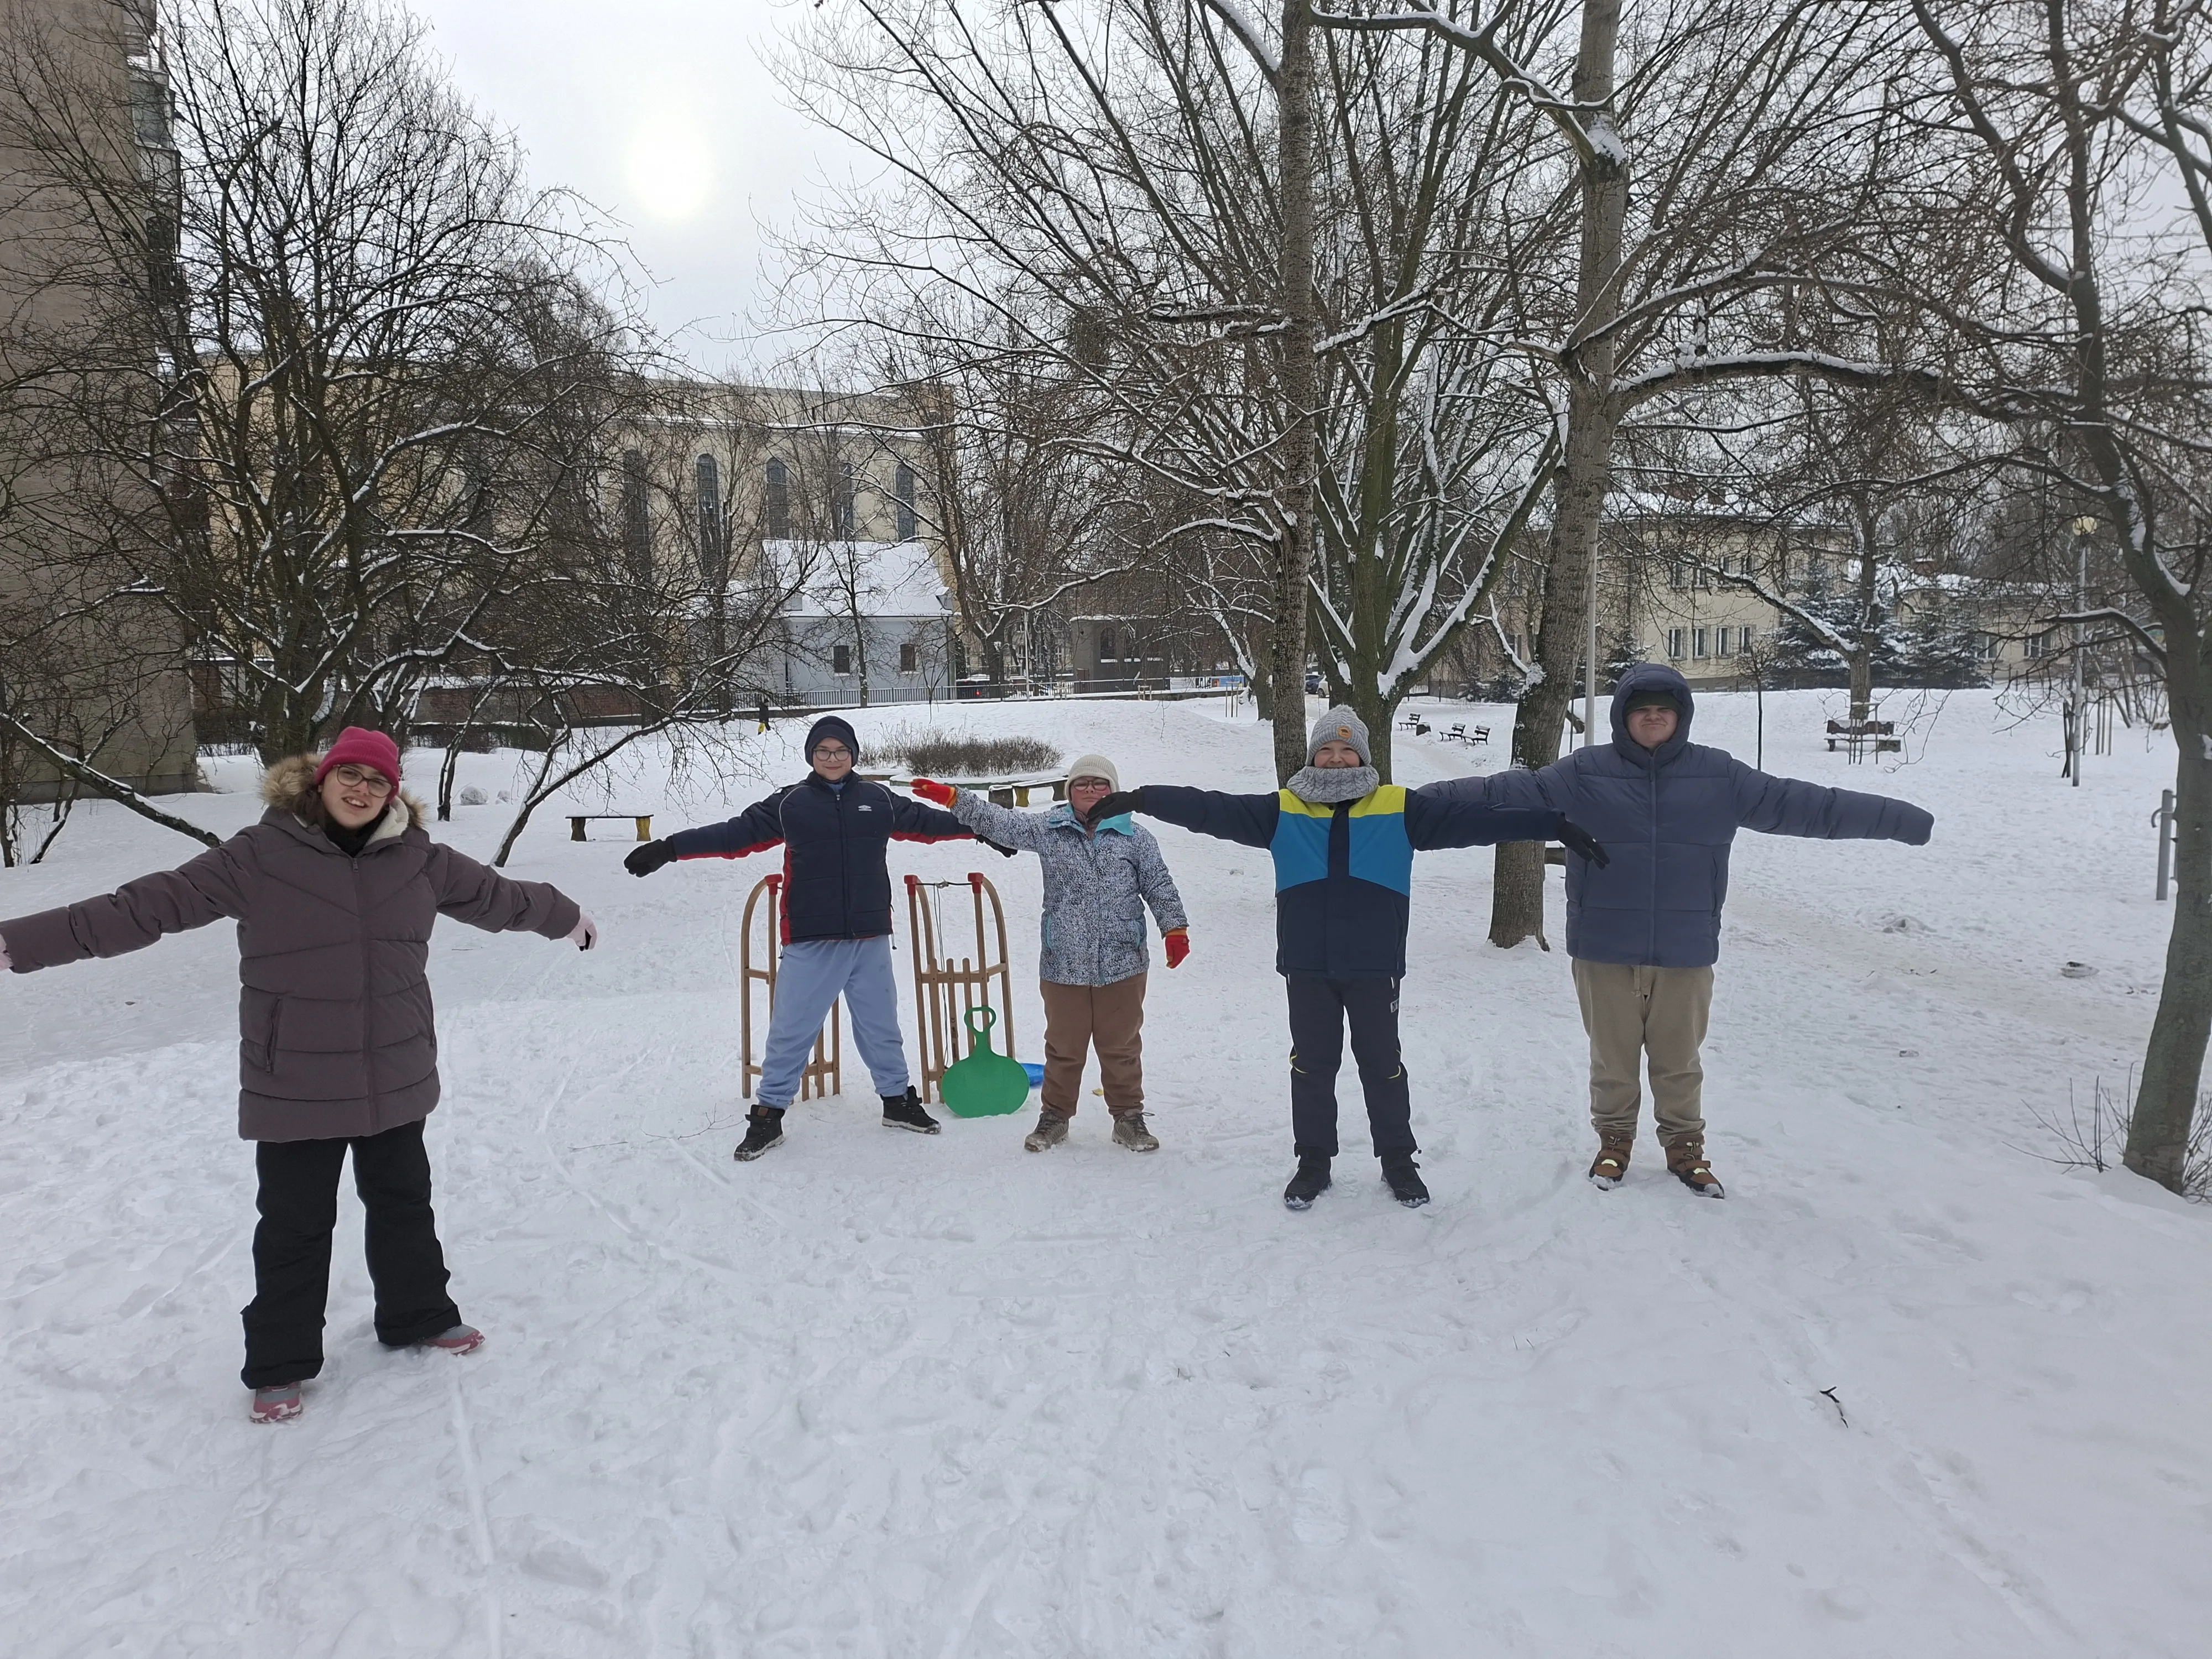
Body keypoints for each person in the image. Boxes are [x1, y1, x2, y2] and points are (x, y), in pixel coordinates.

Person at [0, 728, 596, 1424]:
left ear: (392, 792)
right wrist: (19, 942)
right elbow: (147, 905)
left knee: (405, 1206)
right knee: (295, 1226)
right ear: (321, 780)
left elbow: (499, 898)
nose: (361, 790)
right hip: (297, 1082)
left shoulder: (419, 859)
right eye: (349, 776)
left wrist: (565, 916)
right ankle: (281, 1363)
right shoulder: (260, 855)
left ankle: (419, 1314)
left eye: (377, 782)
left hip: (395, 1072)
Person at [1421, 663, 1934, 1198]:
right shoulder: (1582, 773)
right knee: (1611, 1057)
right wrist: (1413, 807)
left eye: (1664, 708)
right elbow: (1501, 791)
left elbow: (1808, 806)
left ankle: (1685, 1148)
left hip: (1686, 948)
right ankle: (1614, 1140)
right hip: (1603, 945)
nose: (1653, 717)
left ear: (1681, 716)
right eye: (1641, 709)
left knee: (1679, 1060)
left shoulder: (1720, 776)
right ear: (1623, 716)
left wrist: (1900, 820)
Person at [1082, 707, 1601, 1210]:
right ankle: (1313, 1162)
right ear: (1312, 757)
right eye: (1326, 750)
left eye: (1345, 751)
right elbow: (1208, 807)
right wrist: (1144, 798)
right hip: (1308, 967)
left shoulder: (1401, 807)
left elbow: (1477, 820)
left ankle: (1399, 1160)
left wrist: (1550, 823)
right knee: (1311, 1066)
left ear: (1363, 758)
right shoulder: (1282, 810)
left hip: (1375, 966)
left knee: (1382, 1066)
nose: (1335, 759)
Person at [624, 715, 976, 1160]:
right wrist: (670, 848)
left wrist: (984, 829)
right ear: (812, 756)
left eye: (841, 751)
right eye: (824, 751)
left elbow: (930, 825)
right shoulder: (790, 804)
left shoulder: (878, 800)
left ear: (854, 756)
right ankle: (768, 1118)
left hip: (869, 935)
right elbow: (735, 836)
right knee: (792, 1030)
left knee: (882, 1026)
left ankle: (897, 1102)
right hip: (811, 937)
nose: (833, 758)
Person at [912, 753, 1189, 1154]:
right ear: (1069, 792)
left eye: (1099, 784)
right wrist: (957, 798)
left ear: (1114, 789)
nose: (1091, 790)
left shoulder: (1135, 836)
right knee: (1064, 1047)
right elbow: (1001, 824)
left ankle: (1128, 1118)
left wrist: (1174, 928)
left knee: (1122, 1045)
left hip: (1123, 962)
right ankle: (1055, 1117)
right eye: (1082, 784)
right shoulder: (1050, 828)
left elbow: (1159, 884)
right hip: (1063, 963)